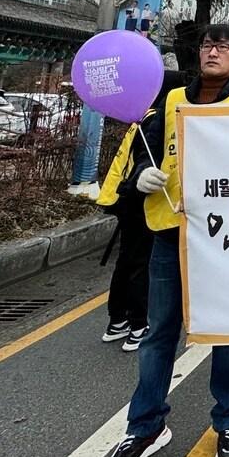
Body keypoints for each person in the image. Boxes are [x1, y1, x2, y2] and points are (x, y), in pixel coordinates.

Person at [100, 24, 229, 457]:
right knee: (158, 332)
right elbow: (143, 156)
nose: (213, 52)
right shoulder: (170, 101)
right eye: (208, 45)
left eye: (224, 46)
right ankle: (145, 428)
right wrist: (142, 177)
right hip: (171, 233)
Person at [96, 70, 186, 352]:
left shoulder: (143, 116)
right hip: (140, 199)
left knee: (127, 261)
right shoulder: (154, 119)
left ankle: (117, 320)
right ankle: (138, 325)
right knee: (140, 263)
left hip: (124, 196)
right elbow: (144, 161)